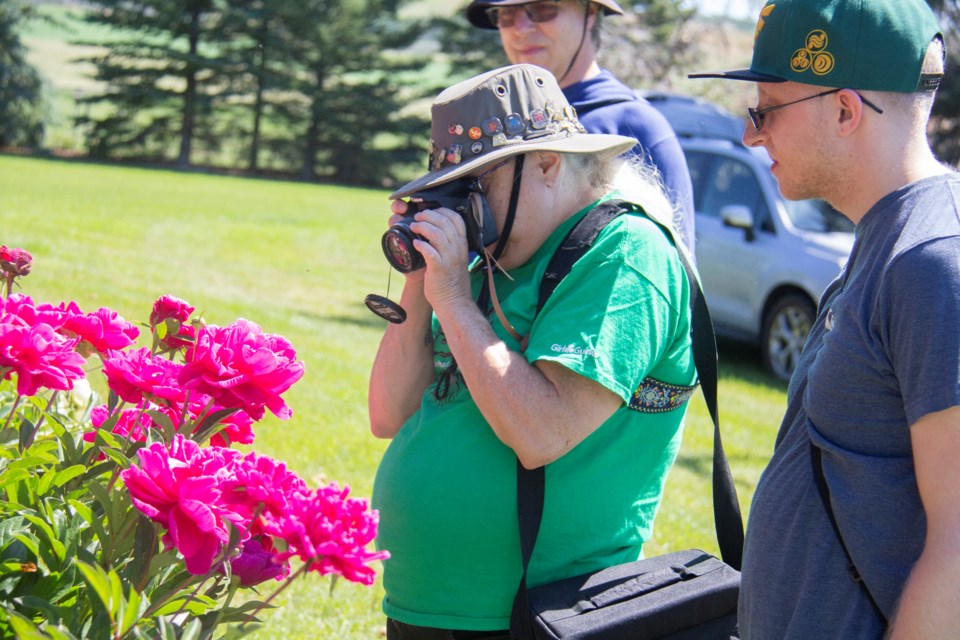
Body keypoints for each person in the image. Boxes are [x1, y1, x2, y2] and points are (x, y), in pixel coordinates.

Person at [368, 63, 698, 639]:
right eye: (452, 190)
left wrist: (453, 296)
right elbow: (387, 414)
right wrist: (423, 284)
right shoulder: (490, 260)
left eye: (477, 186)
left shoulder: (627, 253)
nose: (465, 210)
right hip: (427, 609)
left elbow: (542, 432)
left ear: (547, 164)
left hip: (535, 617)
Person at [689, 0, 959, 638]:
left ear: (844, 110)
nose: (751, 135)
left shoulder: (932, 261)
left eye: (765, 108)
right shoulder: (887, 243)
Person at [463, 0, 696, 256]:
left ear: (590, 13)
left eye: (542, 9)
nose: (520, 28)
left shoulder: (635, 127)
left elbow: (671, 272)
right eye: (506, 14)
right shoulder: (498, 125)